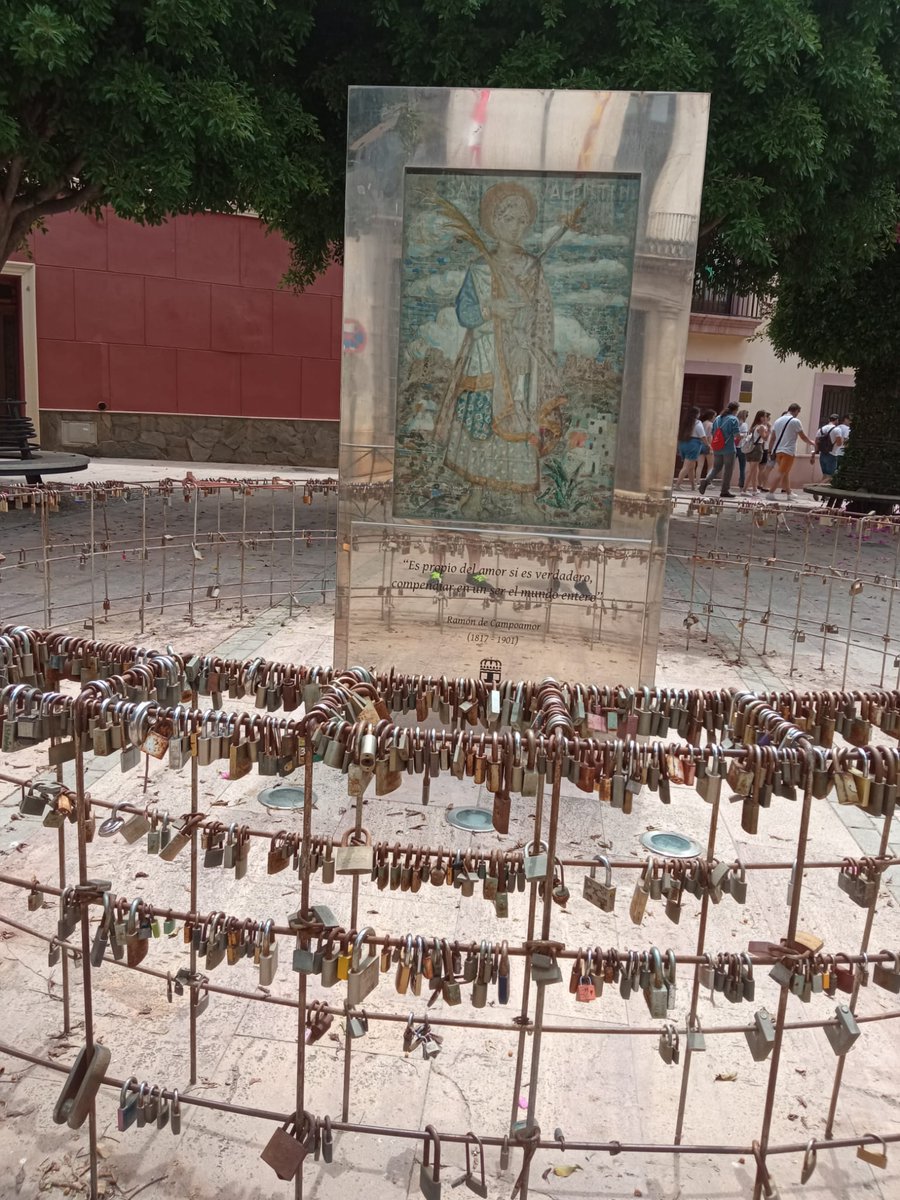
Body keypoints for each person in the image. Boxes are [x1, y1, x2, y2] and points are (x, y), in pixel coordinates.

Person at [433, 181, 577, 524]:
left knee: (521, 423)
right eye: (509, 219)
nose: (517, 226)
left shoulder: (532, 268)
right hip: (485, 355)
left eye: (522, 220)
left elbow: (543, 315)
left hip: (519, 359)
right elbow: (465, 312)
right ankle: (477, 493)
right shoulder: (479, 268)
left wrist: (526, 327)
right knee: (480, 420)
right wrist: (492, 310)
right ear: (493, 222)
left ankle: (527, 498)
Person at [768, 403, 815, 497]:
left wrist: (770, 451)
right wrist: (812, 443)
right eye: (798, 412)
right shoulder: (795, 421)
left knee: (785, 472)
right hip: (788, 451)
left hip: (778, 451)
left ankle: (789, 492)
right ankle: (770, 493)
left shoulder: (778, 420)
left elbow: (772, 437)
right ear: (796, 411)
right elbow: (802, 436)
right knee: (781, 473)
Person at [698, 399, 741, 498]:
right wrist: (742, 436)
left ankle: (706, 481)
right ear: (735, 410)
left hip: (717, 446)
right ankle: (724, 490)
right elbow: (736, 435)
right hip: (729, 448)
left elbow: (713, 432)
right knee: (728, 470)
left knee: (716, 467)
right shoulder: (733, 419)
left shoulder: (717, 418)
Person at [674, 406, 709, 489]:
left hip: (683, 443)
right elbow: (703, 436)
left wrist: (678, 447)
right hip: (693, 444)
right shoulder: (698, 423)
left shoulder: (685, 422)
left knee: (692, 466)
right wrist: (707, 445)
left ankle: (693, 485)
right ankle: (677, 484)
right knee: (686, 466)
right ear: (696, 414)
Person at [743, 409, 771, 496]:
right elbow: (765, 438)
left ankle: (754, 489)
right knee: (752, 471)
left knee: (754, 470)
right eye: (766, 416)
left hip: (751, 448)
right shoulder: (761, 427)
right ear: (762, 418)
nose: (767, 418)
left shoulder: (755, 426)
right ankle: (744, 490)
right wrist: (769, 430)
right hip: (757, 448)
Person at [814, 412, 844, 482]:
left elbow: (816, 442)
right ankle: (816, 488)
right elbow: (839, 443)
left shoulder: (821, 429)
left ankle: (818, 490)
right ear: (836, 420)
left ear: (829, 420)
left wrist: (815, 452)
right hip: (832, 454)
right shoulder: (837, 430)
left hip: (822, 454)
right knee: (830, 476)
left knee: (825, 475)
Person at [698, 408, 716, 481]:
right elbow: (710, 436)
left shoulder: (702, 423)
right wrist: (711, 447)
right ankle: (708, 481)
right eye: (714, 416)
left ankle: (697, 481)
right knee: (710, 465)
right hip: (708, 445)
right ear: (711, 416)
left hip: (700, 445)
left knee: (700, 465)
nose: (715, 418)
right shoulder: (711, 424)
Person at [735, 408, 750, 491]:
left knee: (729, 466)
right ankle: (741, 485)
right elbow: (743, 435)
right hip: (741, 447)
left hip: (734, 446)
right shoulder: (744, 424)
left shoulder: (735, 423)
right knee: (742, 467)